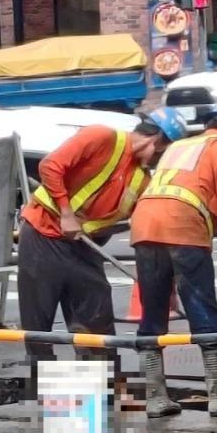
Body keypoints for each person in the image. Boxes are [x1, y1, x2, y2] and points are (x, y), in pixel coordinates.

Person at [16, 108, 188, 392]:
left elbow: (138, 224)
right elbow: (50, 166)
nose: (160, 161)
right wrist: (66, 212)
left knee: (96, 320)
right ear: (156, 141)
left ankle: (99, 392)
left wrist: (164, 286)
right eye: (163, 153)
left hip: (84, 249)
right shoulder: (101, 137)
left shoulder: (141, 180)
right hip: (42, 236)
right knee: (38, 324)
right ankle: (41, 394)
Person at [128, 99, 217, 418]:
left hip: (144, 224)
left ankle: (155, 398)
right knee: (203, 309)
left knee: (152, 314)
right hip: (182, 227)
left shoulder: (182, 145)